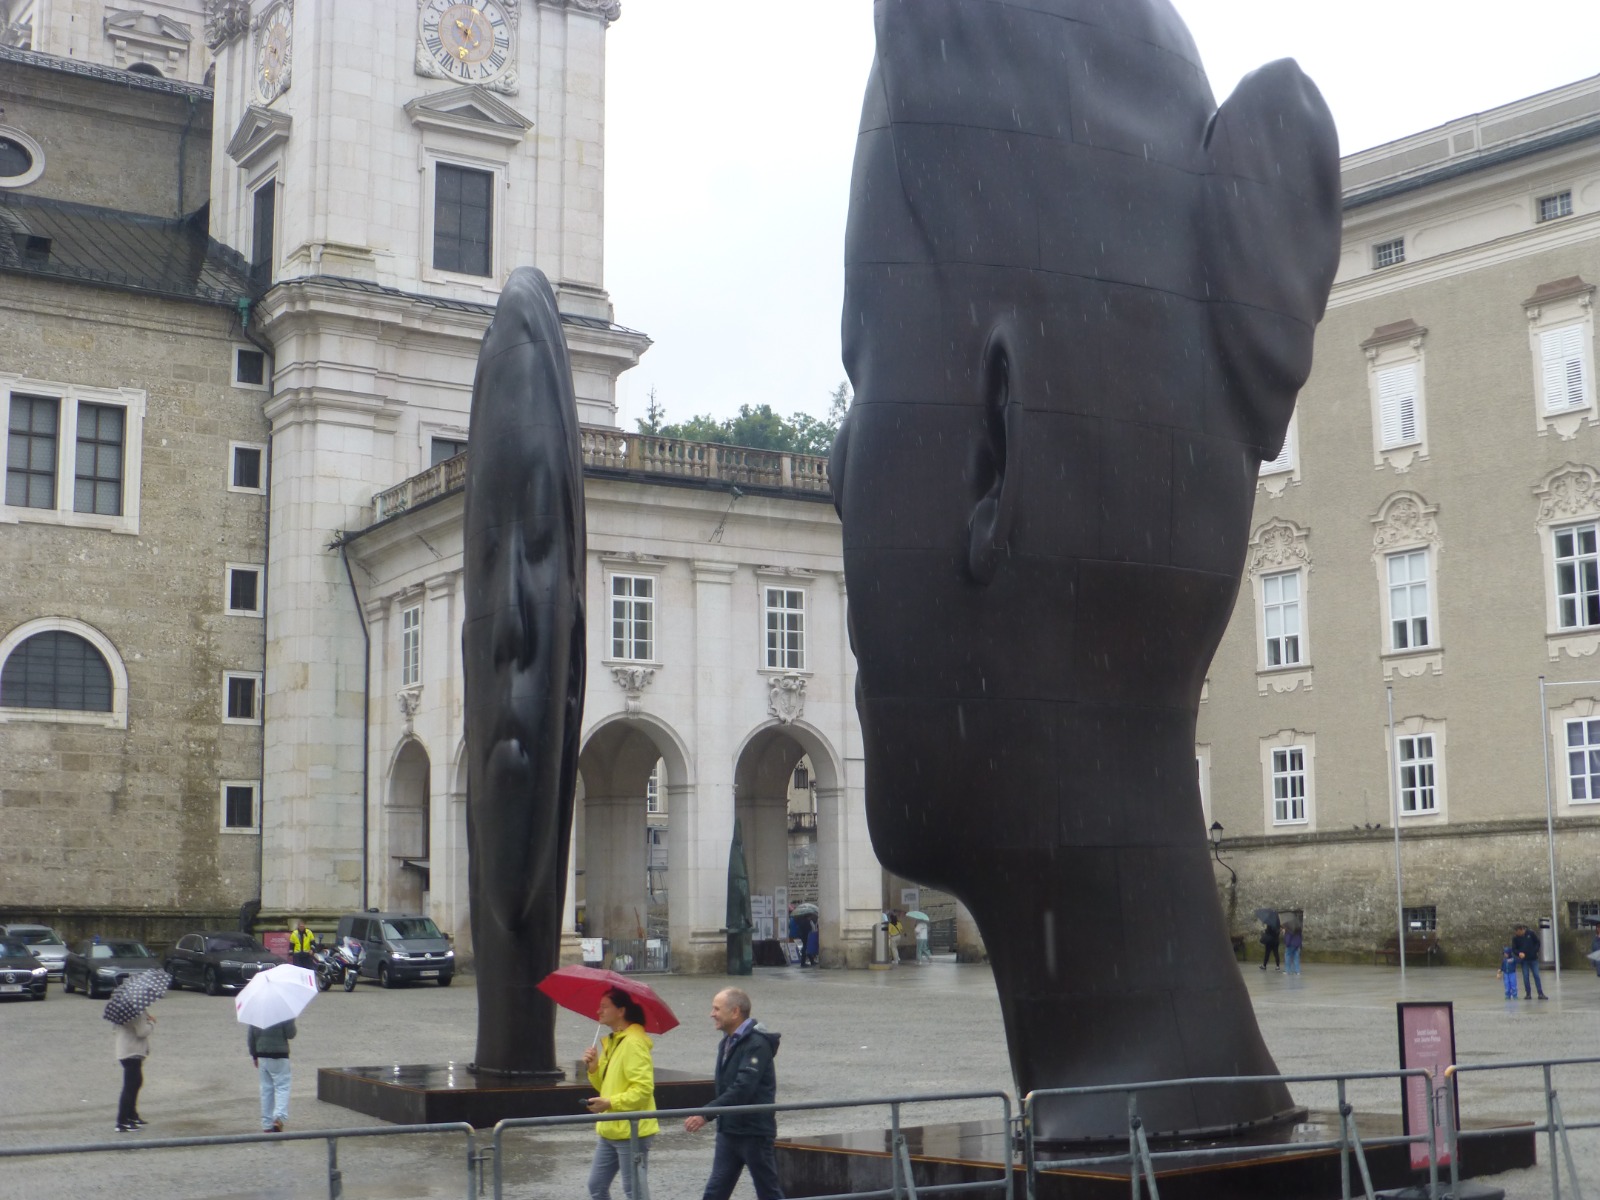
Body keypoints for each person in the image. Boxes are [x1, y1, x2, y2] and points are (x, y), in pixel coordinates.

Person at [684, 987, 783, 1200]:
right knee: (714, 1193)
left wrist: (706, 1113)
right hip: (729, 1131)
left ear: (735, 1012)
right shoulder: (728, 1041)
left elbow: (743, 1088)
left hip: (754, 1133)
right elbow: (728, 1086)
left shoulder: (757, 1044)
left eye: (716, 1009)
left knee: (768, 1192)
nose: (712, 1014)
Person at [582, 987, 657, 1200]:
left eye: (604, 1006)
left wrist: (610, 1103)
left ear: (621, 1011)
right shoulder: (614, 1040)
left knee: (634, 1190)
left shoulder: (633, 1043)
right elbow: (605, 1084)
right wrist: (594, 1067)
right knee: (596, 1186)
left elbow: (643, 1090)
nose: (598, 1011)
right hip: (611, 1128)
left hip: (632, 1130)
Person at [249, 1017, 297, 1132]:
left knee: (266, 1089)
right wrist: (291, 1020)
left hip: (262, 1055)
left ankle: (266, 1124)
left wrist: (254, 1055)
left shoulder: (257, 1012)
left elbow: (251, 1037)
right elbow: (291, 1034)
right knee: (282, 1086)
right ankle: (278, 1118)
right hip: (279, 1055)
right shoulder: (284, 1013)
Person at [112, 1006, 155, 1133]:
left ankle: (132, 1115)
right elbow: (142, 1032)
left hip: (126, 1051)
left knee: (136, 1082)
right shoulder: (135, 1011)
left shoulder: (124, 1010)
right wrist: (152, 1023)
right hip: (132, 1052)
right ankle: (122, 1121)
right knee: (130, 1086)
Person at [1511, 924, 1548, 999]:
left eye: (1518, 932)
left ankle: (1540, 993)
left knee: (1536, 976)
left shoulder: (1530, 933)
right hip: (1524, 960)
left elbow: (1537, 942)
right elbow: (1514, 949)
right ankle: (1528, 994)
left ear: (1521, 930)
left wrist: (1535, 951)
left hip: (1533, 959)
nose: (1517, 934)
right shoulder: (1515, 938)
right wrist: (1519, 953)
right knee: (1525, 977)